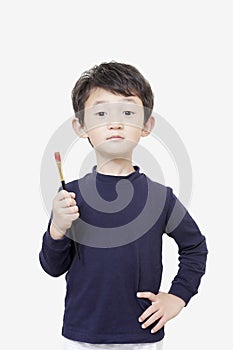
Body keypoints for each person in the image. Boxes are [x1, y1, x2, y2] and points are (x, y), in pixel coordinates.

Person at [39, 62, 208, 350]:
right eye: (101, 113)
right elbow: (53, 267)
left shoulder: (160, 197)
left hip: (141, 333)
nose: (115, 123)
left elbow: (195, 248)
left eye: (128, 112)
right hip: (81, 334)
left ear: (146, 125)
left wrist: (178, 296)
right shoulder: (71, 194)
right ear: (81, 127)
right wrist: (57, 228)